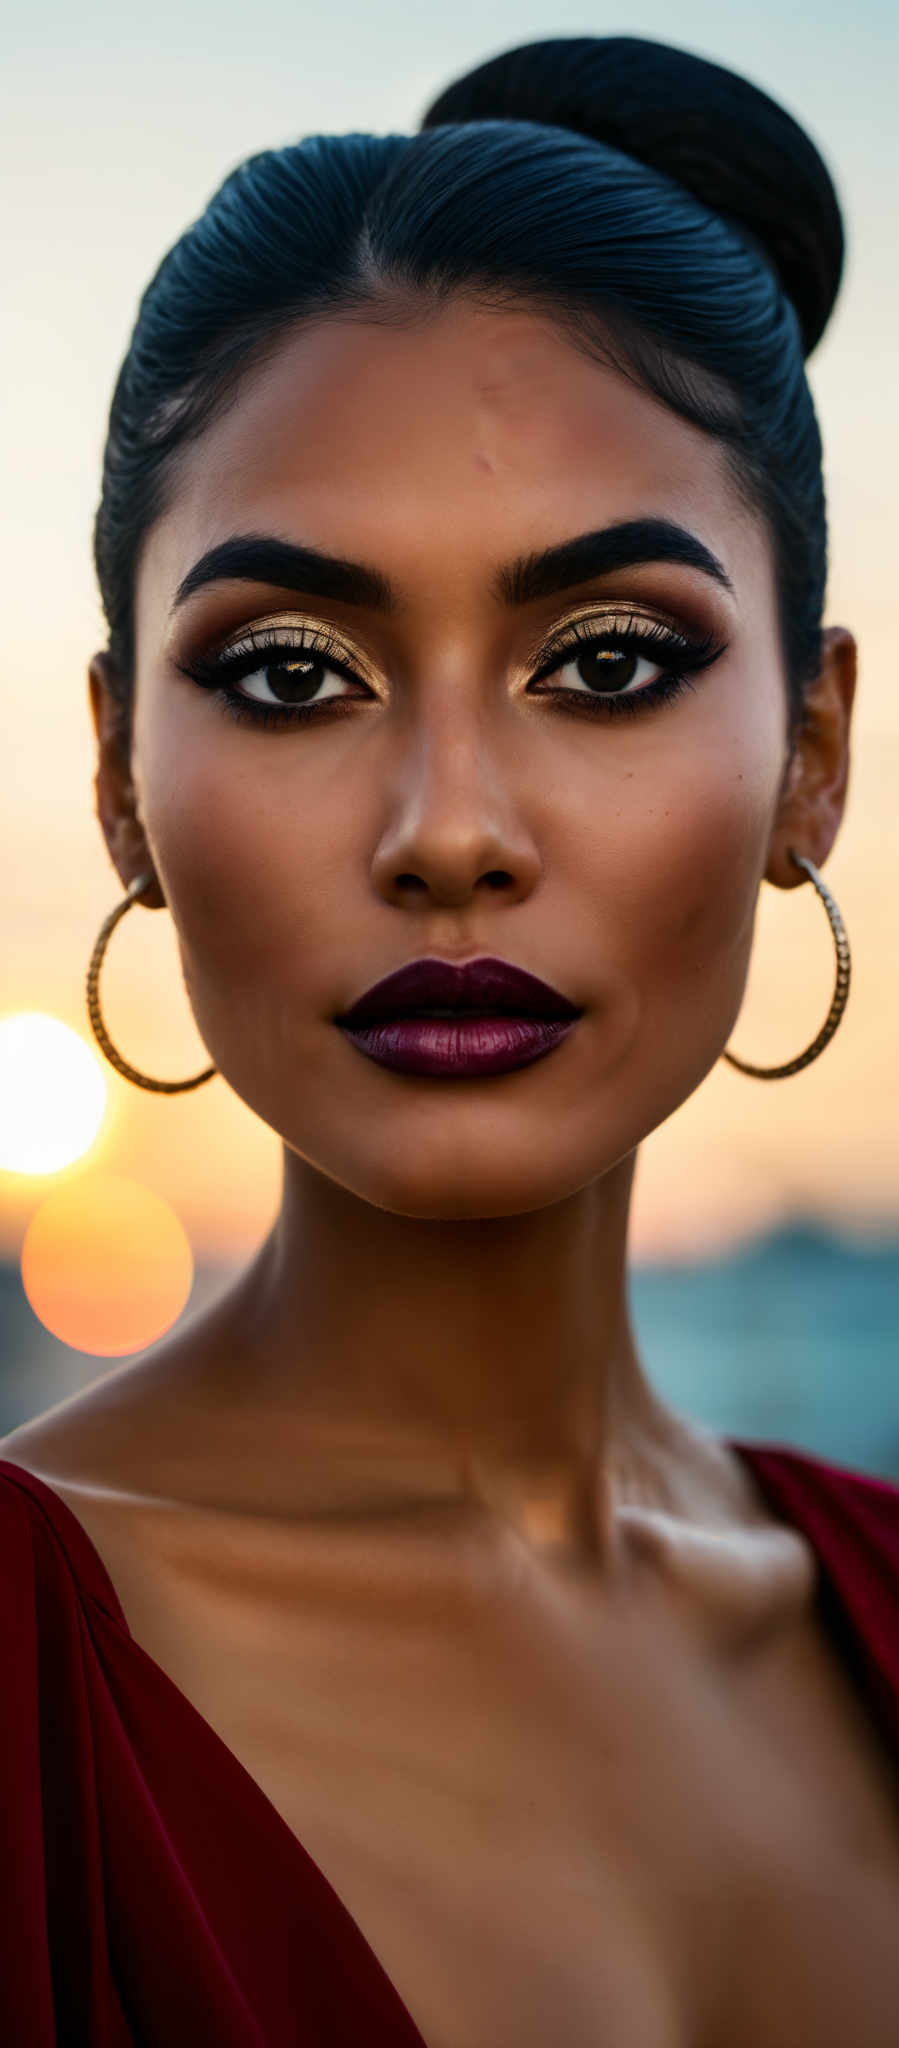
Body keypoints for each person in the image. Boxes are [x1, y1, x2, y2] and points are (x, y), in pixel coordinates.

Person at [1, 33, 897, 2047]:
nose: (453, 831)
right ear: (123, 777)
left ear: (810, 761)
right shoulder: (26, 1689)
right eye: (295, 673)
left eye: (607, 662)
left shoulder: (876, 1600)